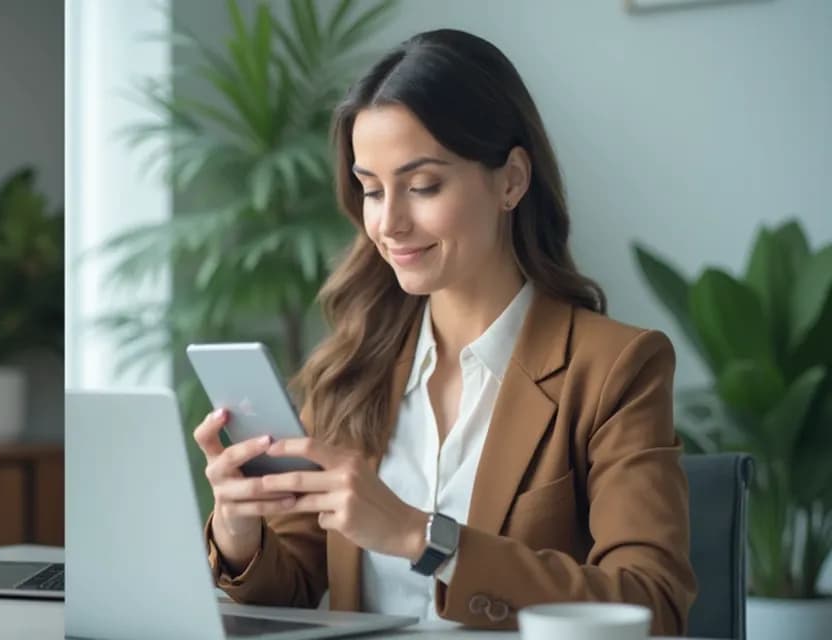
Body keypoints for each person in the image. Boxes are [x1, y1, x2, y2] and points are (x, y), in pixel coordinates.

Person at [195, 29, 695, 634]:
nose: (389, 223)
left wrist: (422, 536)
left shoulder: (616, 368)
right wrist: (237, 528)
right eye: (372, 190)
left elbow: (652, 607)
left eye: (423, 186)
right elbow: (295, 585)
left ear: (511, 179)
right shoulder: (351, 368)